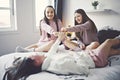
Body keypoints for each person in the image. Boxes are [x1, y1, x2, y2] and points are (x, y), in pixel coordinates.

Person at [3, 32, 120, 80]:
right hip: (95, 59)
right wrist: (76, 56)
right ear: (36, 63)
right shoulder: (57, 65)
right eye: (32, 56)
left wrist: (59, 39)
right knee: (109, 41)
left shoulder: (47, 61)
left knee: (111, 52)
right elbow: (82, 69)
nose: (34, 54)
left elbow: (52, 50)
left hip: (87, 54)